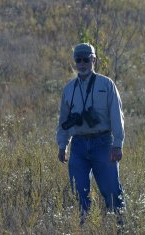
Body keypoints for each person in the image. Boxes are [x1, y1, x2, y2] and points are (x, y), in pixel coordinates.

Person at [56, 42, 126, 223]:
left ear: (93, 60)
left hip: (103, 144)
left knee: (112, 191)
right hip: (78, 146)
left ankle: (120, 226)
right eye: (78, 60)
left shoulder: (106, 84)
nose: (82, 64)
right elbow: (63, 121)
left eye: (86, 59)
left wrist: (117, 144)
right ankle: (83, 227)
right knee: (78, 193)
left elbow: (117, 117)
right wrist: (62, 145)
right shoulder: (69, 89)